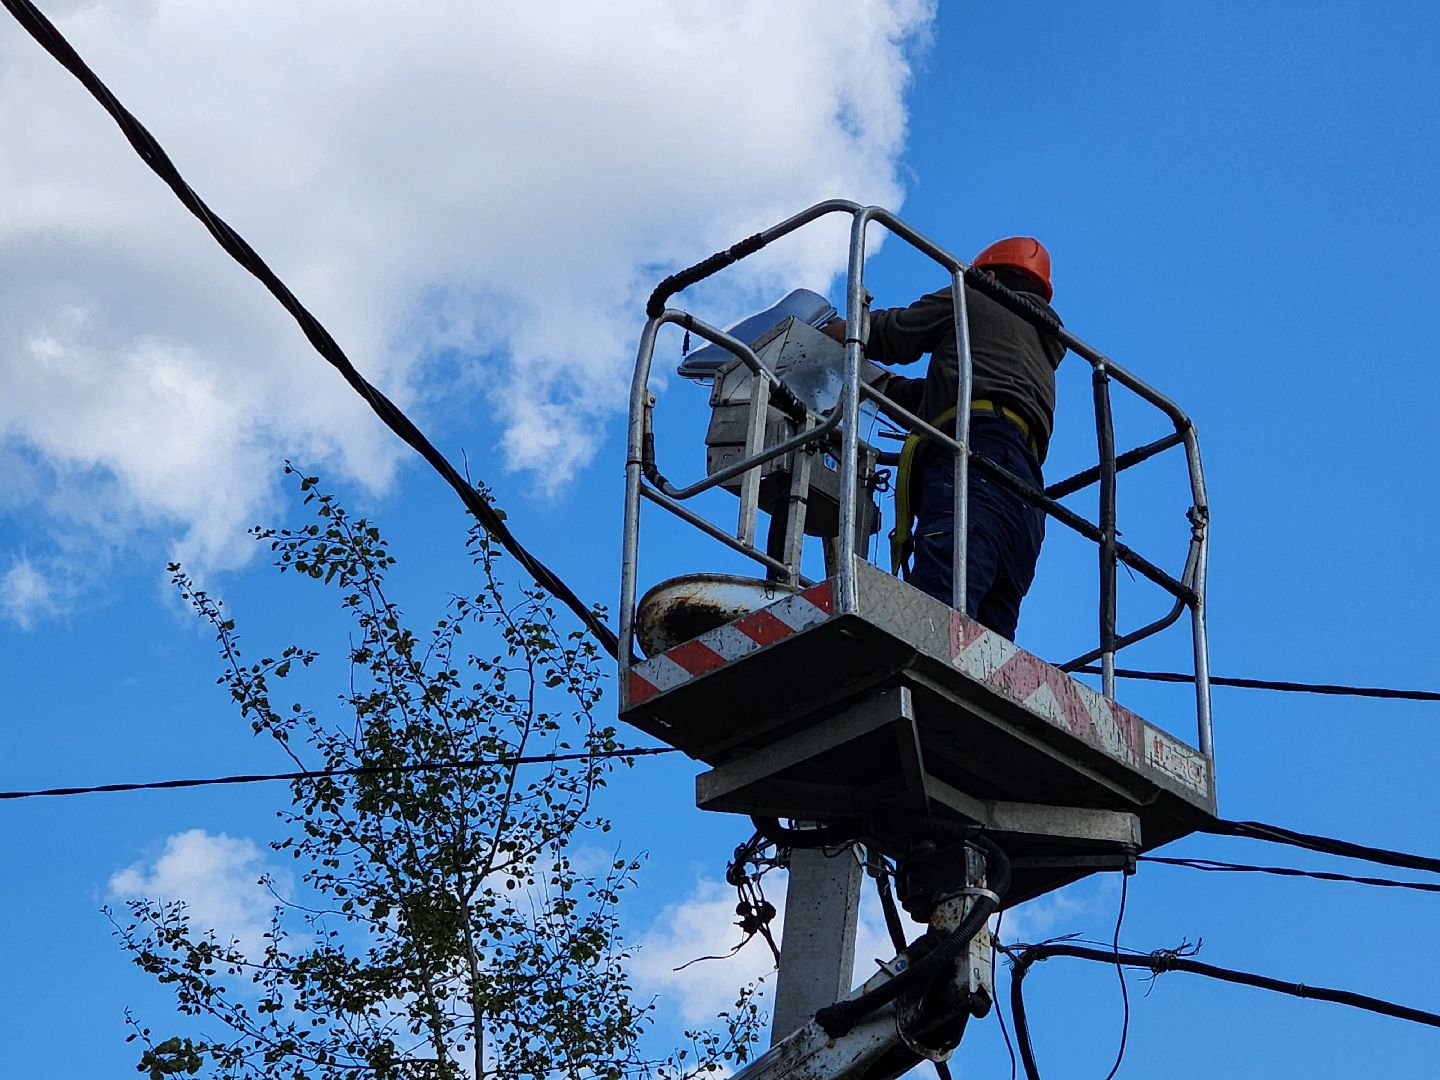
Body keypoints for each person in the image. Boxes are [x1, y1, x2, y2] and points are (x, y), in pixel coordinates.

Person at [823, 237, 1066, 639]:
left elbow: (895, 333)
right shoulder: (1036, 344)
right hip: (1025, 492)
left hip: (974, 460)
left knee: (940, 620)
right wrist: (881, 386)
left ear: (988, 276)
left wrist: (840, 333)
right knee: (987, 645)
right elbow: (950, 395)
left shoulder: (973, 296)